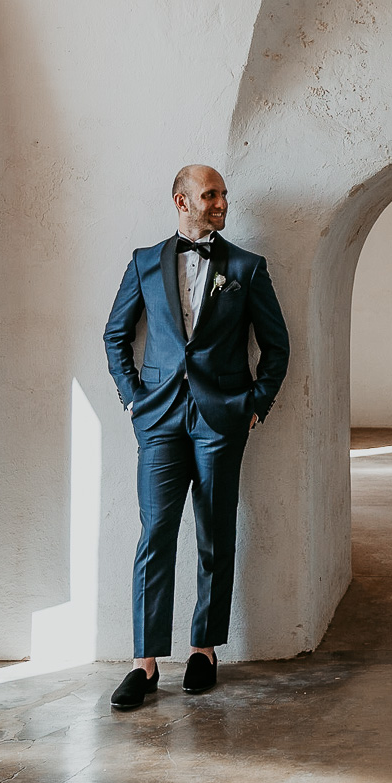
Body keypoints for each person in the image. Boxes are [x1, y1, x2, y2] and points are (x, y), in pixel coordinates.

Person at [103, 165, 290, 710]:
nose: (222, 203)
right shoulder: (143, 262)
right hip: (158, 419)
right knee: (155, 534)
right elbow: (117, 335)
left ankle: (203, 650)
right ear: (181, 200)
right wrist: (133, 398)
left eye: (224, 195)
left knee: (214, 532)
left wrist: (254, 406)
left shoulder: (246, 267)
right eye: (211, 195)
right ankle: (144, 663)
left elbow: (276, 347)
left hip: (222, 419)